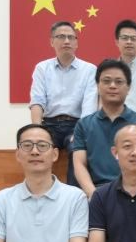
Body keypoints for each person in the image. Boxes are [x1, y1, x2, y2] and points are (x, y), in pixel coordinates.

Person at [71, 59, 136, 199]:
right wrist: (94, 196)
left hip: (135, 192)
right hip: (97, 192)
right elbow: (79, 164)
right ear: (97, 85)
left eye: (119, 82)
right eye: (106, 81)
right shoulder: (84, 124)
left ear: (128, 88)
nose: (112, 86)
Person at [29, 21, 98, 186]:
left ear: (76, 43)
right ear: (52, 41)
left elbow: (89, 106)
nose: (66, 41)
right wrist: (37, 130)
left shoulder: (89, 70)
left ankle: (74, 195)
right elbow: (37, 101)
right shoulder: (42, 68)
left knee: (77, 147)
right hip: (49, 124)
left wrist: (81, 131)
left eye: (70, 37)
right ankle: (40, 190)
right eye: (61, 37)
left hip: (76, 124)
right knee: (38, 147)